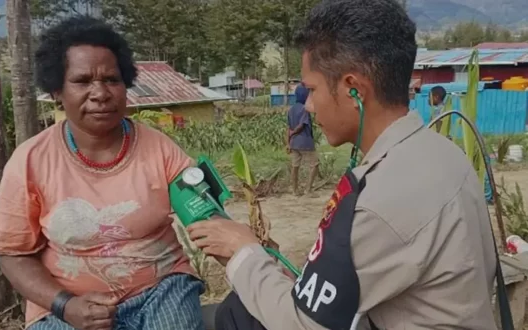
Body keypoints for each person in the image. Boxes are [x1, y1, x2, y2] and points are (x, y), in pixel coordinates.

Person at [186, 0, 498, 329]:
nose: (307, 106)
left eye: (312, 89)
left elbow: (303, 324)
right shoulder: (440, 152)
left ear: (355, 90)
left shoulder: (381, 199)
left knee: (238, 314)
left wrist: (242, 252)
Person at [0, 16, 205, 330]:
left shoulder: (160, 150)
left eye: (111, 80)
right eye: (82, 80)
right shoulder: (30, 161)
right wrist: (66, 305)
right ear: (55, 92)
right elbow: (12, 255)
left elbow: (203, 213)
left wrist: (251, 258)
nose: (100, 93)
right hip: (66, 304)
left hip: (161, 289)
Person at [286, 83, 320, 196]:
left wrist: (288, 141)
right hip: (305, 141)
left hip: (294, 143)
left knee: (295, 166)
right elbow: (301, 125)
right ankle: (308, 189)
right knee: (314, 164)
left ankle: (294, 190)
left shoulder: (291, 110)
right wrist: (294, 132)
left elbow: (288, 128)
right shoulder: (305, 109)